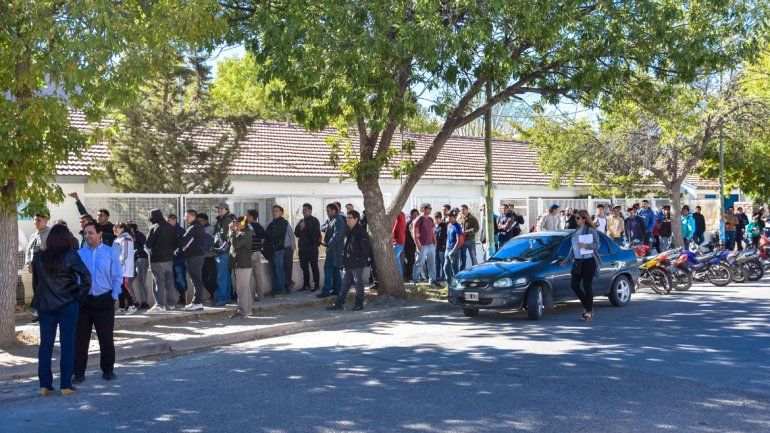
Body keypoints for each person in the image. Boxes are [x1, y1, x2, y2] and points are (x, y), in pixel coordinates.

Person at [32, 224, 91, 396]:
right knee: (67, 345)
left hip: (46, 306)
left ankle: (45, 385)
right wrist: (78, 296)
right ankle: (65, 385)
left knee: (46, 345)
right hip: (67, 305)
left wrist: (43, 296)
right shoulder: (71, 256)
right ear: (66, 238)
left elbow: (37, 283)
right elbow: (86, 277)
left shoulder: (39, 257)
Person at [73, 221, 122, 384]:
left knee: (106, 338)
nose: (87, 236)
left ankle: (108, 370)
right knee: (80, 339)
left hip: (104, 300)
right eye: (85, 233)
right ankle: (78, 373)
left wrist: (113, 296)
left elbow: (116, 276)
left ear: (99, 234)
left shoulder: (110, 253)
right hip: (84, 302)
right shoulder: (79, 254)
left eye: (90, 233)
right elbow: (75, 278)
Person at [559, 210, 601, 322]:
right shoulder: (577, 230)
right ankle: (588, 306)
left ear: (584, 219)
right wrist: (566, 260)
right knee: (574, 285)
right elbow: (573, 248)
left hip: (588, 262)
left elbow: (597, 245)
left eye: (578, 218)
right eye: (575, 218)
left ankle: (588, 311)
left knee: (587, 286)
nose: (576, 219)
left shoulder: (590, 230)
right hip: (577, 262)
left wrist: (586, 245)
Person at [327, 210, 370, 311]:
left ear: (356, 219)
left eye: (350, 218)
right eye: (347, 217)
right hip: (348, 262)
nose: (347, 219)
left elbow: (365, 249)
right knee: (345, 284)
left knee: (358, 284)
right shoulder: (348, 230)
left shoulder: (361, 232)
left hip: (357, 263)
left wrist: (360, 259)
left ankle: (359, 304)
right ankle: (339, 304)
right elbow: (346, 247)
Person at [146, 209, 177, 313]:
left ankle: (160, 305)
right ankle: (171, 304)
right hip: (169, 259)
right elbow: (175, 243)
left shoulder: (154, 228)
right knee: (170, 282)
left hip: (157, 260)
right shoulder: (171, 227)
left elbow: (148, 245)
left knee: (158, 282)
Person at [318, 203, 346, 298]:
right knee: (335, 271)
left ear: (334, 210)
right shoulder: (332, 220)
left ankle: (326, 291)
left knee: (328, 270)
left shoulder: (338, 220)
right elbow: (324, 228)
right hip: (333, 249)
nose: (327, 213)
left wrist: (328, 244)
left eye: (328, 211)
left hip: (334, 250)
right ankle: (336, 290)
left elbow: (336, 235)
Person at [228, 217, 253, 319]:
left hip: (243, 265)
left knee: (242, 288)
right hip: (239, 264)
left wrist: (231, 231)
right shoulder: (241, 232)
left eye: (237, 223)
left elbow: (235, 244)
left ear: (243, 224)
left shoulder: (245, 233)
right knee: (243, 288)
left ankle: (244, 311)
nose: (235, 225)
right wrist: (232, 232)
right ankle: (246, 310)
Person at [180, 210, 205, 311]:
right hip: (195, 256)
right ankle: (197, 302)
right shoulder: (197, 227)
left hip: (194, 257)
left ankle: (197, 302)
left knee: (197, 280)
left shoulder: (194, 227)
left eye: (186, 216)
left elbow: (184, 240)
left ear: (192, 216)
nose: (185, 218)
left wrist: (184, 245)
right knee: (196, 280)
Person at [213, 202, 236, 307]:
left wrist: (221, 248)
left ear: (227, 210)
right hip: (220, 252)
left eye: (222, 209)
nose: (220, 210)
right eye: (218, 209)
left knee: (222, 277)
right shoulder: (219, 221)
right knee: (225, 276)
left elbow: (229, 238)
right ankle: (226, 298)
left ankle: (222, 299)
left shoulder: (228, 221)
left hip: (224, 253)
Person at [264, 205, 290, 297]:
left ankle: (281, 290)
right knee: (273, 272)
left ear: (281, 212)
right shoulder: (272, 223)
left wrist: (269, 235)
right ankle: (275, 290)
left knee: (279, 271)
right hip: (271, 251)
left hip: (278, 251)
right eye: (273, 211)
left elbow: (274, 235)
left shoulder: (283, 223)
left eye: (277, 211)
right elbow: (265, 234)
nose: (274, 213)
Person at [295, 203, 321, 292]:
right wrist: (301, 229)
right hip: (302, 249)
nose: (303, 211)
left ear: (310, 210)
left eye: (305, 209)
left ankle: (316, 285)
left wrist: (305, 228)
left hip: (312, 248)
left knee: (314, 266)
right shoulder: (301, 221)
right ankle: (306, 285)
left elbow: (315, 234)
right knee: (304, 267)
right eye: (303, 210)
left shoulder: (315, 221)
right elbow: (296, 233)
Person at [112, 222, 137, 315]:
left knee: (124, 287)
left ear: (123, 228)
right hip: (118, 267)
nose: (114, 229)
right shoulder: (119, 238)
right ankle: (122, 307)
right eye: (114, 227)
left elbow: (125, 254)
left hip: (123, 268)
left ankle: (132, 305)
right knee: (120, 287)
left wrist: (121, 264)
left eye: (117, 227)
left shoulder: (126, 238)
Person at [412, 204, 437, 284]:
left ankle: (432, 279)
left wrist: (435, 243)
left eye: (431, 208)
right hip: (422, 245)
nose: (430, 209)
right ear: (424, 209)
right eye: (429, 208)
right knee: (419, 263)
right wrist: (418, 245)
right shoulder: (418, 219)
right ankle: (416, 280)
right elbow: (414, 234)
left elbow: (433, 232)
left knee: (431, 263)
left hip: (431, 245)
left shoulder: (430, 219)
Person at [127, 222, 150, 310]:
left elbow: (145, 246)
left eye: (128, 229)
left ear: (132, 229)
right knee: (128, 282)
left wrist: (141, 253)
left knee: (142, 281)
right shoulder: (128, 237)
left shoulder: (139, 235)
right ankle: (134, 302)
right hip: (132, 261)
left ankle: (145, 303)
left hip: (141, 259)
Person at [167, 214, 188, 305]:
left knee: (180, 277)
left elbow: (183, 245)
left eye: (169, 220)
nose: (167, 222)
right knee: (172, 279)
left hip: (179, 259)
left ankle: (183, 296)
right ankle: (181, 294)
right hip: (170, 259)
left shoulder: (181, 230)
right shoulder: (167, 230)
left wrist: (176, 253)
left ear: (174, 220)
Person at [246, 209, 267, 299]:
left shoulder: (249, 226)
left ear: (251, 216)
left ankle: (251, 295)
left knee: (250, 276)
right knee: (258, 275)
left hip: (250, 253)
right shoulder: (260, 226)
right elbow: (263, 238)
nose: (245, 217)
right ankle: (260, 295)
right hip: (258, 253)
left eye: (247, 215)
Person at [198, 213, 218, 302]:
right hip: (202, 258)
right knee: (203, 279)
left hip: (209, 257)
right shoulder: (199, 229)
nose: (199, 223)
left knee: (213, 277)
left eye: (201, 221)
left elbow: (205, 242)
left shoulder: (209, 229)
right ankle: (213, 294)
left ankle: (215, 295)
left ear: (206, 220)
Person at [444, 210, 463, 287]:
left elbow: (459, 241)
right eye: (448, 216)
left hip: (454, 251)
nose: (448, 217)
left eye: (450, 216)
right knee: (445, 268)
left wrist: (453, 251)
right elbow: (448, 238)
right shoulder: (449, 225)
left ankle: (457, 285)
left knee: (455, 270)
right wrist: (447, 249)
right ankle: (449, 285)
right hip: (447, 250)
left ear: (454, 217)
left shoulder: (457, 226)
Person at [459, 205, 479, 270]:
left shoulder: (473, 218)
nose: (462, 211)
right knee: (463, 258)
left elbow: (477, 228)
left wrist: (468, 231)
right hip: (462, 241)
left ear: (467, 210)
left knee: (473, 257)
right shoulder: (459, 219)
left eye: (463, 209)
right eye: (461, 209)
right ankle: (462, 272)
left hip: (470, 240)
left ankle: (475, 271)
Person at [404, 209, 418, 281]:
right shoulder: (410, 222)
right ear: (411, 214)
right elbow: (408, 235)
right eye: (414, 214)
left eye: (417, 214)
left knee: (410, 260)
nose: (416, 215)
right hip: (409, 245)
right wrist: (413, 244)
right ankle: (409, 276)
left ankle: (408, 275)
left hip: (409, 244)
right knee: (411, 261)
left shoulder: (411, 221)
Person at [391, 210, 406, 277]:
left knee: (395, 258)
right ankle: (399, 276)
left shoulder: (400, 216)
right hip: (398, 241)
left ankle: (399, 276)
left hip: (399, 242)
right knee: (397, 259)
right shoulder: (399, 219)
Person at [434, 212, 448, 282]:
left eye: (437, 219)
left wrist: (443, 245)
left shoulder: (444, 225)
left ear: (440, 218)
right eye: (435, 219)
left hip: (441, 247)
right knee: (437, 263)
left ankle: (444, 276)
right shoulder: (436, 226)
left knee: (443, 262)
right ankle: (437, 276)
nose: (436, 220)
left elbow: (444, 237)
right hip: (436, 247)